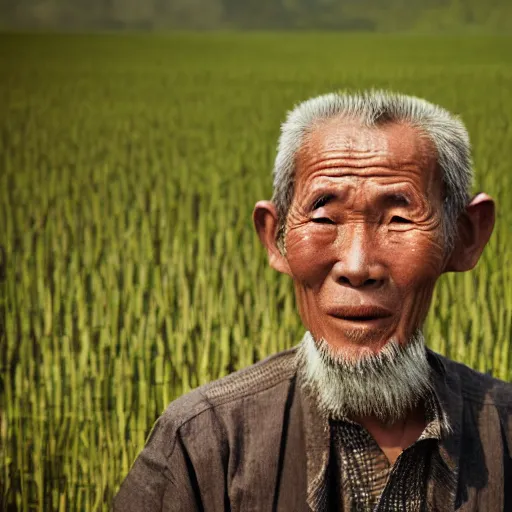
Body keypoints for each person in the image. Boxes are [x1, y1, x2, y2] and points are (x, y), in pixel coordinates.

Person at [113, 91, 512, 511]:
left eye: (398, 218)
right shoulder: (207, 444)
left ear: (465, 237)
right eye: (323, 217)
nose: (357, 265)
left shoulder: (504, 432)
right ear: (276, 238)